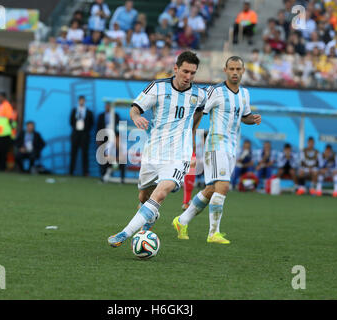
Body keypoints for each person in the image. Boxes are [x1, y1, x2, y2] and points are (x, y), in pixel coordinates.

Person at [108, 51, 207, 248]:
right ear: (176, 69)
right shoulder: (158, 88)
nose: (188, 77)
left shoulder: (200, 94)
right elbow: (135, 108)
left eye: (193, 73)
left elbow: (198, 113)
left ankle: (124, 233)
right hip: (154, 152)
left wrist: (192, 134)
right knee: (144, 197)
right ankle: (150, 216)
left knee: (162, 192)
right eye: (185, 71)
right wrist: (136, 117)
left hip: (180, 154)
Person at [173, 56, 262, 244]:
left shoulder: (245, 93)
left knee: (211, 189)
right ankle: (213, 233)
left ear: (243, 71)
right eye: (231, 69)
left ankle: (182, 221)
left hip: (231, 146)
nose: (235, 72)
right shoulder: (216, 91)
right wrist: (190, 136)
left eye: (238, 69)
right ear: (225, 70)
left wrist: (252, 119)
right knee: (223, 186)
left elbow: (243, 116)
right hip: (216, 144)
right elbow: (198, 112)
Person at [96, 102, 121, 182]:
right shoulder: (101, 116)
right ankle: (102, 175)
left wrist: (117, 139)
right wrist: (98, 139)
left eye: (109, 106)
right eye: (106, 106)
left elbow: (118, 128)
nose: (107, 107)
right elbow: (98, 127)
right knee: (102, 157)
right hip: (103, 138)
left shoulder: (116, 116)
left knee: (111, 157)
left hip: (113, 139)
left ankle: (109, 174)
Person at [69, 95, 94, 176]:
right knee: (73, 153)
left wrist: (85, 130)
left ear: (84, 101)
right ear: (78, 101)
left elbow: (91, 123)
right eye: (80, 100)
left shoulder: (88, 112)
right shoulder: (74, 111)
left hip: (84, 134)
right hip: (76, 134)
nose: (81, 102)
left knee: (85, 154)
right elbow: (71, 121)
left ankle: (85, 172)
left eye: (83, 100)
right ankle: (71, 171)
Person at [0, 92, 15, 171]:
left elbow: (10, 119)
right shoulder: (0, 106)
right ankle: (0, 166)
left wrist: (12, 132)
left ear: (3, 97)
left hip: (5, 133)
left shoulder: (7, 106)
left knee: (3, 151)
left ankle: (2, 167)